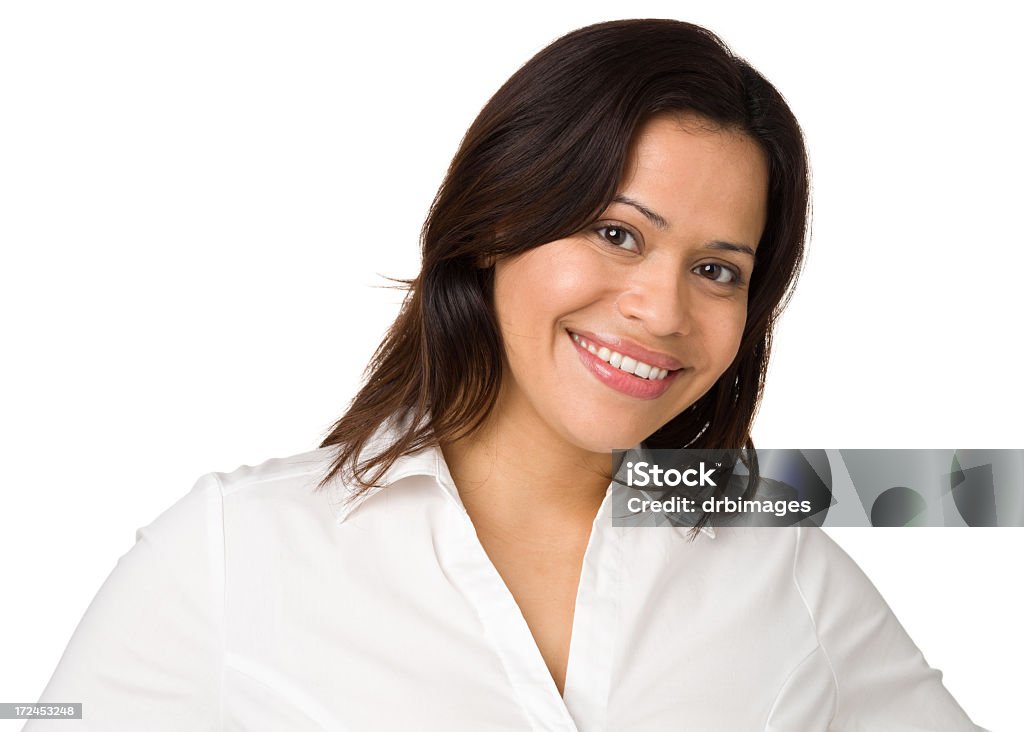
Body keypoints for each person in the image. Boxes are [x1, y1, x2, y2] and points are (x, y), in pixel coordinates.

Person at [27, 18, 985, 731]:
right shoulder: (232, 552)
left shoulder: (783, 568)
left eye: (718, 270)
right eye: (617, 234)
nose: (662, 309)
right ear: (495, 223)